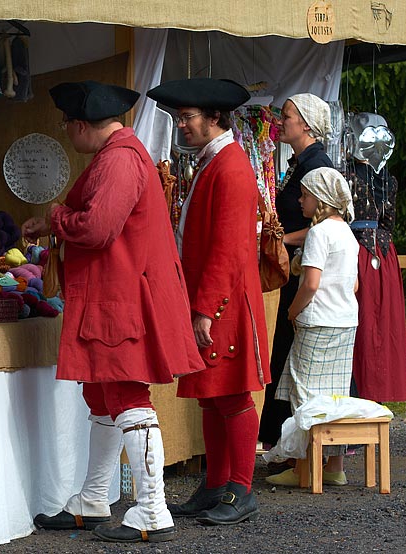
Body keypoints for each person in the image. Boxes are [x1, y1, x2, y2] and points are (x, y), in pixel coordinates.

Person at [23, 80, 204, 543]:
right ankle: (93, 498)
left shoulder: (119, 159)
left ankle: (153, 510)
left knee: (127, 396)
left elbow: (98, 228)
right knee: (104, 396)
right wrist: (55, 222)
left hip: (121, 297)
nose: (67, 132)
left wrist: (57, 217)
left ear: (82, 125)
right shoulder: (119, 155)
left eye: (66, 124)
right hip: (115, 294)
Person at [146, 78, 270, 525]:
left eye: (188, 117)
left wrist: (205, 309)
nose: (181, 125)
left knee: (232, 396)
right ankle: (217, 484)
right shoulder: (214, 161)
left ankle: (241, 489)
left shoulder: (231, 167)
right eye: (179, 118)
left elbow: (229, 249)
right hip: (213, 297)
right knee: (212, 397)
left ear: (215, 117)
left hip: (225, 302)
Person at [265, 166, 359, 487]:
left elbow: (311, 283)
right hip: (345, 321)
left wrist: (292, 310)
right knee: (336, 395)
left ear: (319, 199)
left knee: (305, 393)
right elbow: (354, 285)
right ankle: (334, 466)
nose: (300, 200)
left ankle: (303, 467)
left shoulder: (319, 233)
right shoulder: (347, 232)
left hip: (317, 321)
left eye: (304, 195)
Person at [258, 93, 334, 467]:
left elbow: (328, 221)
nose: (280, 121)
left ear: (305, 123)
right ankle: (282, 442)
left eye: (286, 116)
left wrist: (282, 239)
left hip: (306, 269)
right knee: (283, 351)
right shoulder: (297, 164)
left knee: (293, 352)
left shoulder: (317, 165)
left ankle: (297, 448)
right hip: (292, 267)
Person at [347, 112, 406, 402]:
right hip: (373, 255)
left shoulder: (364, 177)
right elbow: (387, 224)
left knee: (372, 326)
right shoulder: (376, 178)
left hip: (364, 254)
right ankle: (364, 397)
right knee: (366, 326)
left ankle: (369, 396)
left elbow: (385, 223)